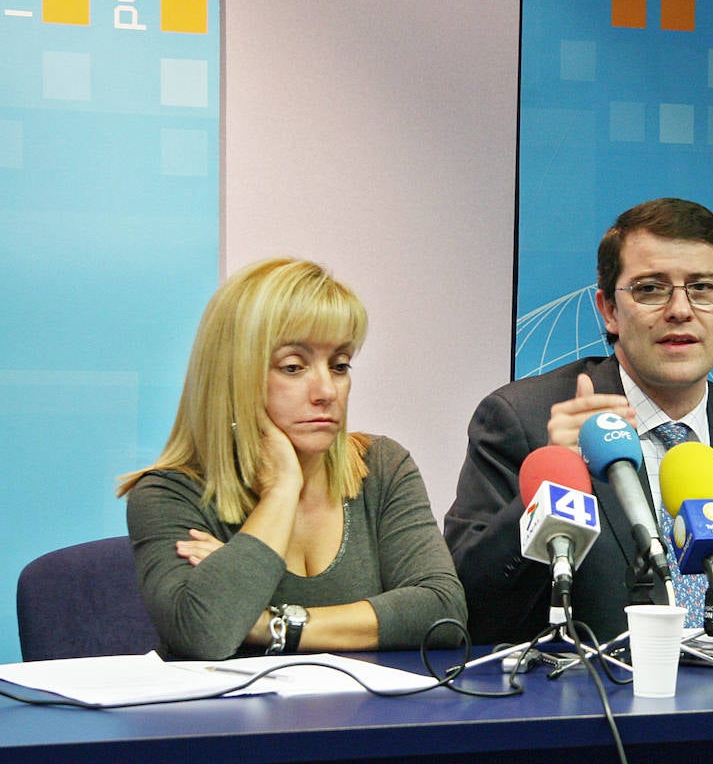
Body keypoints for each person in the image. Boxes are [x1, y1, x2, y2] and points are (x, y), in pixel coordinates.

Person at [445, 197, 713, 645]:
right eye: (651, 289)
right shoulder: (525, 419)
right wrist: (552, 486)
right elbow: (468, 607)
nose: (680, 309)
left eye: (702, 288)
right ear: (609, 310)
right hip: (589, 702)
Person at [120, 258, 466, 660]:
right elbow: (206, 633)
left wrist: (271, 623)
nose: (326, 390)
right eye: (293, 367)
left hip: (363, 719)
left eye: (339, 366)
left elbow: (443, 613)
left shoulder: (381, 467)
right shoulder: (170, 494)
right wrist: (281, 492)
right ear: (233, 378)